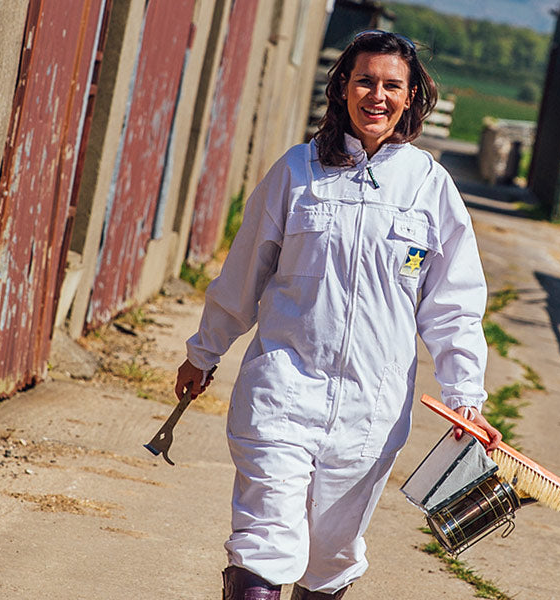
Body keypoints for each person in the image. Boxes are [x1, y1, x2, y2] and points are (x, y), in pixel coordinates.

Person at [174, 30, 501, 600]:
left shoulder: (429, 187)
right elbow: (244, 270)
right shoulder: (298, 171)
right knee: (265, 545)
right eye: (365, 81)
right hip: (282, 386)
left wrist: (465, 394)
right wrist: (205, 350)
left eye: (391, 85)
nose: (377, 95)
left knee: (329, 561)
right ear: (343, 89)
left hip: (371, 412)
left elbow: (454, 304)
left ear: (411, 97)